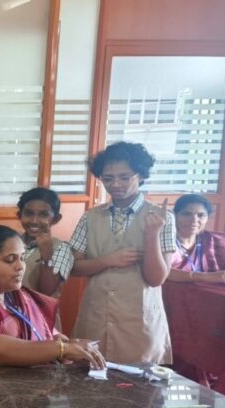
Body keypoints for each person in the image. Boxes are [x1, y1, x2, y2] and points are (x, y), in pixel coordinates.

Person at [0, 226, 105, 369]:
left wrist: (68, 343)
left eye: (22, 258)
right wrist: (60, 349)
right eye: (10, 260)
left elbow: (43, 331)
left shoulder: (10, 294)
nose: (20, 266)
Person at [69, 141, 174, 364]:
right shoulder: (91, 217)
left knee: (138, 383)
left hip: (139, 322)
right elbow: (74, 267)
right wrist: (108, 260)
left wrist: (152, 234)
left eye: (125, 177)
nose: (115, 184)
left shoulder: (162, 217)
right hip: (96, 316)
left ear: (141, 176)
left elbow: (157, 279)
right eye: (108, 178)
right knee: (89, 378)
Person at [17, 188, 75, 299]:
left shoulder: (62, 248)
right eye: (28, 213)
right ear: (19, 215)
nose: (34, 221)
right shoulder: (11, 241)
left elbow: (46, 292)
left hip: (37, 310)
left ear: (56, 219)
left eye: (43, 215)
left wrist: (47, 257)